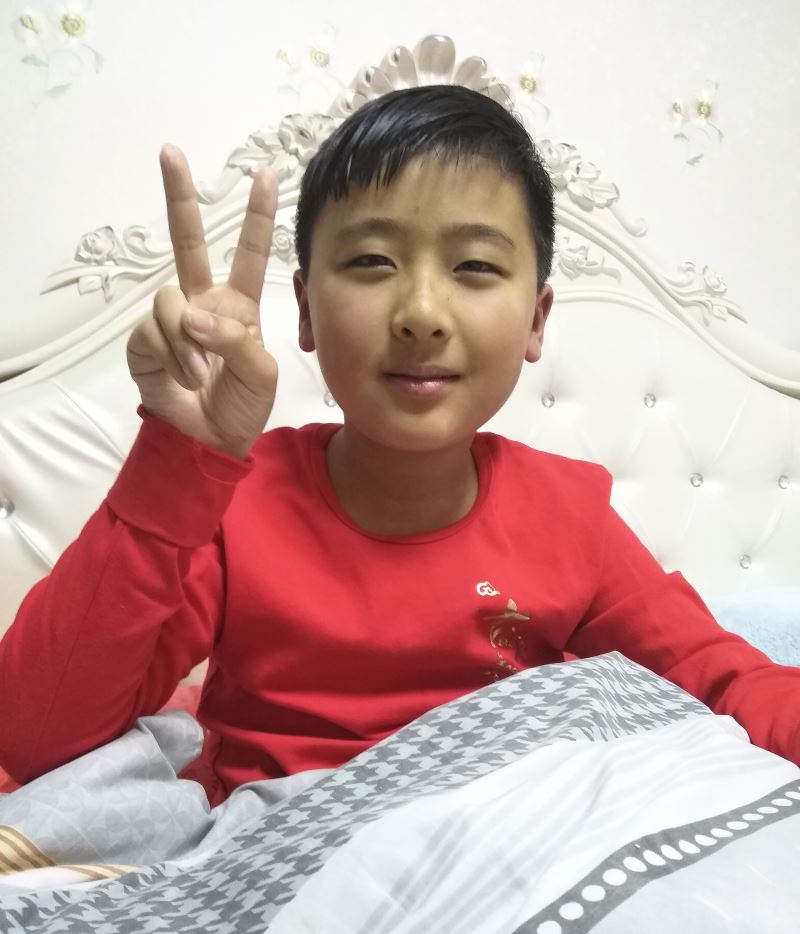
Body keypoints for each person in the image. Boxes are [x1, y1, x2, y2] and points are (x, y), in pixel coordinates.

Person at [1, 86, 798, 805]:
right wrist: (179, 456)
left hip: (509, 860)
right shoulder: (234, 506)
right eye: (372, 261)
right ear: (305, 311)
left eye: (475, 265)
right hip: (274, 865)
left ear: (536, 320)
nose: (421, 313)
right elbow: (36, 737)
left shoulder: (570, 515)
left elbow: (726, 682)